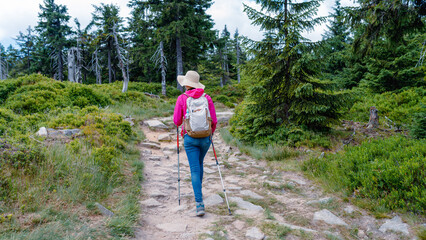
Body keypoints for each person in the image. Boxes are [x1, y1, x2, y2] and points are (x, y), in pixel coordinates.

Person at [173, 70, 217, 217]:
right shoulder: (207, 98)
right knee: (199, 165)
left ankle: (199, 203)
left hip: (190, 138)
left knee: (194, 169)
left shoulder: (182, 98)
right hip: (205, 138)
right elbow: (214, 121)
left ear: (186, 84)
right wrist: (210, 135)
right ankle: (199, 193)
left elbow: (177, 121)